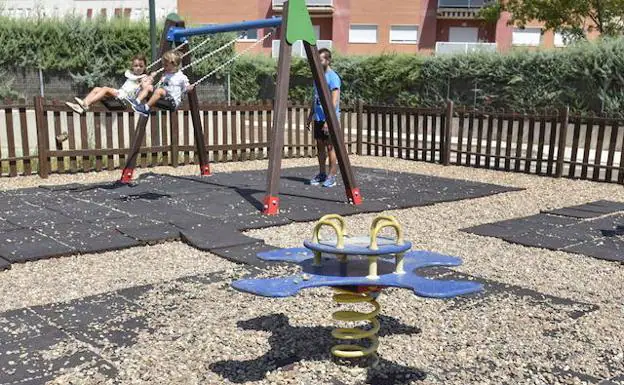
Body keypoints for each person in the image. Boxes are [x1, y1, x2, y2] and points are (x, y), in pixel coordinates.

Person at [65, 54, 153, 114]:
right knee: (96, 89)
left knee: (105, 89)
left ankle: (86, 104)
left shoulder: (144, 77)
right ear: (132, 66)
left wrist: (148, 79)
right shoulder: (131, 74)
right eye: (136, 66)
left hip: (126, 98)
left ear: (145, 67)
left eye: (141, 66)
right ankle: (80, 107)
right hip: (120, 93)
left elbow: (145, 87)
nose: (138, 68)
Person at [305, 48, 341, 188]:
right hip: (318, 118)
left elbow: (334, 100)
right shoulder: (318, 77)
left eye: (320, 60)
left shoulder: (333, 77)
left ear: (328, 60)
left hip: (329, 119)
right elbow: (316, 98)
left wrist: (328, 120)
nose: (318, 63)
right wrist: (310, 116)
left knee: (330, 148)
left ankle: (332, 176)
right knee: (320, 147)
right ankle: (322, 174)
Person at [130, 50, 194, 116]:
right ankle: (136, 101)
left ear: (174, 64)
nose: (164, 67)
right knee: (149, 87)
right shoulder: (165, 74)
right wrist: (151, 76)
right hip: (163, 98)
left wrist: (189, 88)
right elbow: (156, 85)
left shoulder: (181, 77)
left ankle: (146, 108)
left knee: (160, 91)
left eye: (166, 65)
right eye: (163, 65)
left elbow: (186, 88)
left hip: (172, 102)